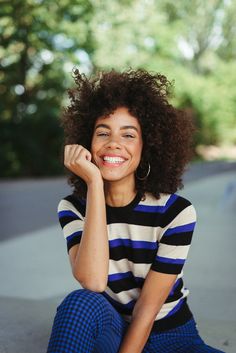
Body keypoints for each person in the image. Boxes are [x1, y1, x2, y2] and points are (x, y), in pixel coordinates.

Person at [47, 69, 225, 353]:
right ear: (87, 143)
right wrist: (93, 183)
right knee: (79, 303)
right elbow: (93, 281)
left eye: (128, 135)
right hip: (111, 329)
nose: (113, 143)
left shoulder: (175, 212)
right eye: (102, 132)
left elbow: (146, 310)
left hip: (171, 336)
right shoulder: (72, 208)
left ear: (147, 146)